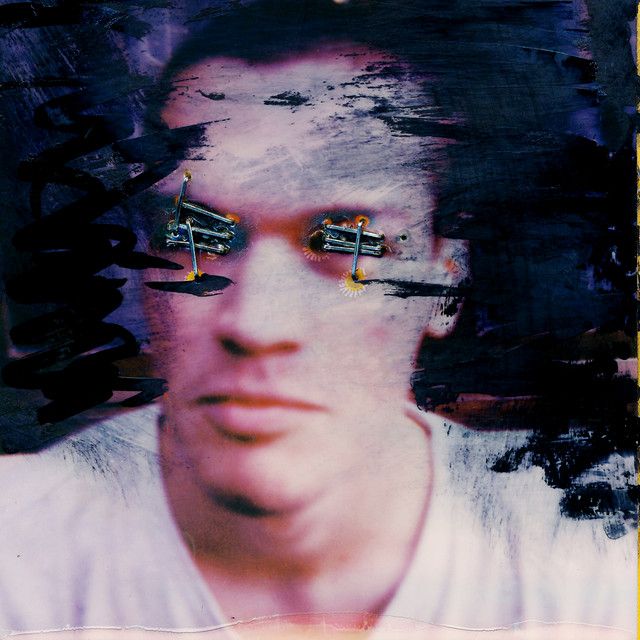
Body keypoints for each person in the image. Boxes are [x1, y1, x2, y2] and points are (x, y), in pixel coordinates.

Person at [0, 1, 635, 638]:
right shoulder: (21, 545)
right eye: (196, 235)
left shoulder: (592, 556)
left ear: (447, 280)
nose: (256, 323)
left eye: (345, 240)